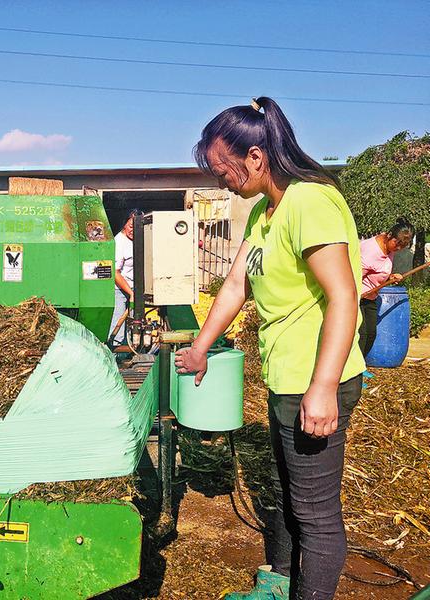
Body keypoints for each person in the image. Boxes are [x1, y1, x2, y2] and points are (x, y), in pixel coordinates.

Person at [175, 97, 365, 599]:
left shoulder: (310, 202)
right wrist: (199, 349)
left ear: (256, 157)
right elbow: (236, 284)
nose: (221, 181)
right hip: (285, 378)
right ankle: (277, 583)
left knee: (316, 515)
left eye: (222, 170)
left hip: (317, 380)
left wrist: (323, 388)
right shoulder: (265, 211)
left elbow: (343, 295)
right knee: (283, 492)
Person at [359, 218, 414, 356]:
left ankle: (360, 366)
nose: (398, 248)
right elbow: (352, 277)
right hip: (357, 297)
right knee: (362, 334)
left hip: (371, 297)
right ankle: (353, 372)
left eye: (402, 246)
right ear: (389, 235)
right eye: (397, 244)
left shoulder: (390, 248)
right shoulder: (369, 251)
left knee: (371, 333)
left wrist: (391, 277)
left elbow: (378, 272)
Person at [109, 208, 143, 346]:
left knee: (136, 323)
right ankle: (114, 351)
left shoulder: (137, 240)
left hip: (134, 289)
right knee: (118, 324)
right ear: (124, 224)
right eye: (130, 226)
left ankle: (133, 349)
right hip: (120, 289)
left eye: (136, 227)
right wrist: (130, 293)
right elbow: (115, 272)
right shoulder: (119, 242)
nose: (133, 230)